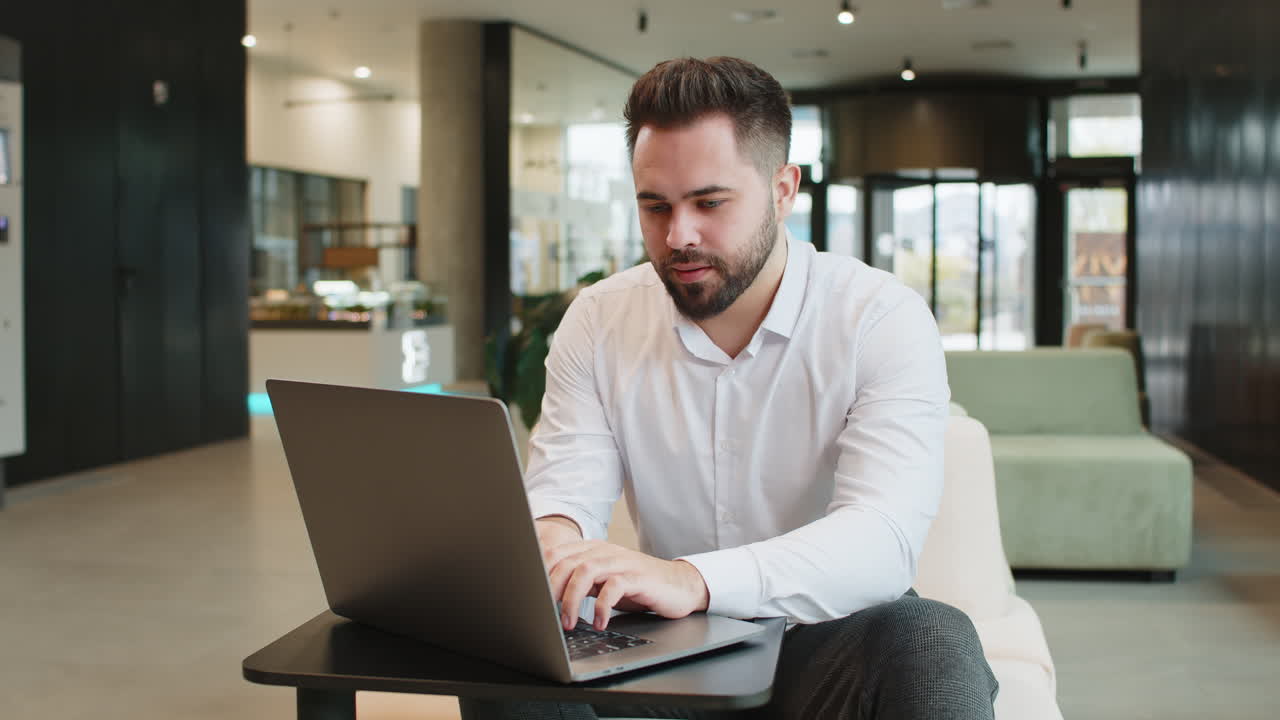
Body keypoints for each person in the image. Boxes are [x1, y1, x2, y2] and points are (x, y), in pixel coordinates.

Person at [462, 56, 997, 720]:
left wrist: (693, 579)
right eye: (654, 206)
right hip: (667, 654)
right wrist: (552, 544)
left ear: (782, 189)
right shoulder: (600, 320)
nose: (677, 235)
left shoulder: (878, 318)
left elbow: (881, 539)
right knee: (505, 646)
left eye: (709, 203)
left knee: (930, 640)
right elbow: (564, 494)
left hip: (822, 642)